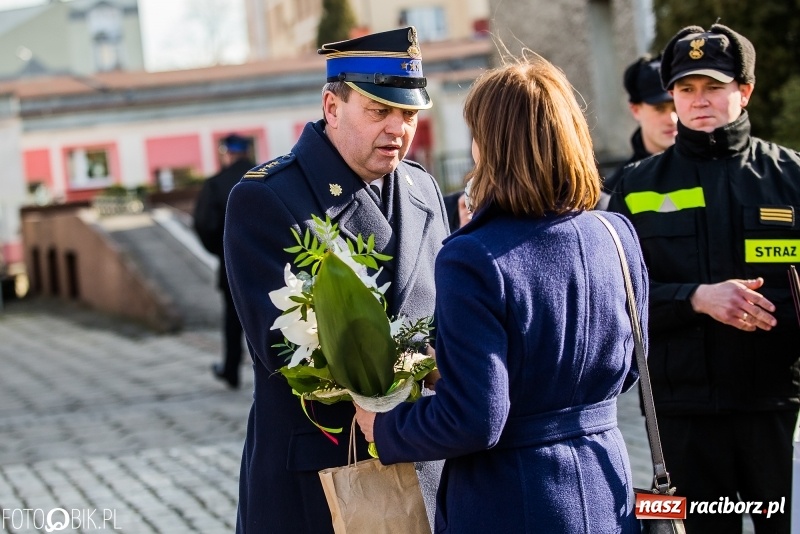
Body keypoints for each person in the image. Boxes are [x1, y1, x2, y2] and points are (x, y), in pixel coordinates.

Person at [355, 54, 649, 533]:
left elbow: (475, 418)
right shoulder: (616, 235)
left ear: (492, 145)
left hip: (512, 499)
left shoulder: (473, 256)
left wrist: (385, 427)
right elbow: (629, 368)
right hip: (605, 486)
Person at [223, 27, 450, 533]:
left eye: (408, 114)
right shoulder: (269, 197)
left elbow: (444, 315)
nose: (398, 129)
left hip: (424, 463)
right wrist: (414, 372)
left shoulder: (423, 189)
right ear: (331, 106)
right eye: (378, 110)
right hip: (317, 472)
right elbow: (284, 350)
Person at [608, 24, 800, 533]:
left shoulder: (790, 179)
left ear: (745, 90)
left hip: (770, 404)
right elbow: (619, 302)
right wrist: (695, 299)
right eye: (686, 89)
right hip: (681, 413)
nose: (699, 101)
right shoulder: (636, 186)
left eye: (714, 87)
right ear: (671, 96)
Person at [193, 133, 254, 389]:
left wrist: (220, 250)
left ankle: (231, 370)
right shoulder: (267, 176)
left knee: (233, 319)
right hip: (271, 263)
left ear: (226, 152)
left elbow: (204, 225)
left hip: (232, 264)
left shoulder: (216, 184)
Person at [597, 54, 677, 208]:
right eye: (660, 109)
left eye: (676, 107)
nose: (672, 119)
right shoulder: (616, 189)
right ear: (635, 110)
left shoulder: (709, 169)